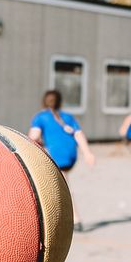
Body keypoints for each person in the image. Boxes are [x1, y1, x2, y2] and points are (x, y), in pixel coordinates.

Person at [29, 89, 95, 231]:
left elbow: (33, 137)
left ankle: (75, 219)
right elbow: (78, 134)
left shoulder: (40, 117)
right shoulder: (68, 117)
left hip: (57, 155)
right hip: (71, 154)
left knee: (61, 186)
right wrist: (87, 153)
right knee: (58, 182)